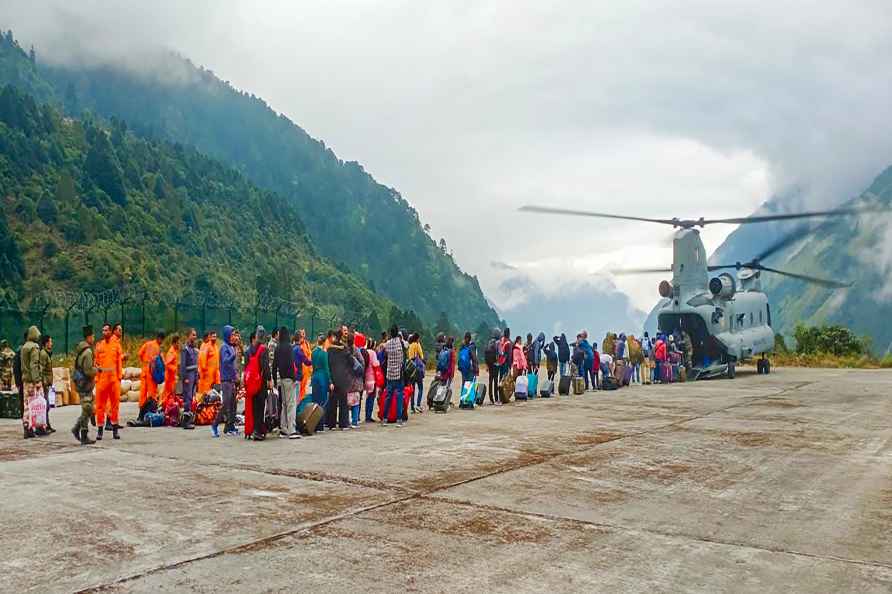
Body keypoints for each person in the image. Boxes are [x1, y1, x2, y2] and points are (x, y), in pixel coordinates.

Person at [94, 323, 122, 440]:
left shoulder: (116, 345)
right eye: (103, 331)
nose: (104, 333)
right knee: (100, 406)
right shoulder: (99, 346)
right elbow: (95, 363)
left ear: (110, 332)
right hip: (102, 380)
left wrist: (119, 376)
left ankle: (115, 430)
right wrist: (97, 378)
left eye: (106, 331)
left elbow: (119, 362)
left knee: (115, 406)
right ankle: (100, 430)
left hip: (113, 380)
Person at [71, 325, 98, 445]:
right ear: (89, 337)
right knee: (88, 408)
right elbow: (88, 370)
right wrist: (96, 370)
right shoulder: (87, 352)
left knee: (87, 409)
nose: (94, 338)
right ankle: (80, 431)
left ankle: (80, 432)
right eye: (92, 336)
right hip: (85, 384)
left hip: (82, 383)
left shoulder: (82, 349)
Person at [272, 325, 300, 439]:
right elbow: (291, 364)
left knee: (284, 404)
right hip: (289, 378)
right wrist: (294, 378)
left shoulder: (278, 348)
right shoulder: (289, 347)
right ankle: (291, 430)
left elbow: (274, 365)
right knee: (291, 404)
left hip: (281, 379)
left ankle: (283, 429)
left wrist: (274, 380)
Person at [212, 325, 239, 438]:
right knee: (226, 403)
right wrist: (234, 355)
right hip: (226, 380)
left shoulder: (232, 347)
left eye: (234, 334)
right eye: (232, 334)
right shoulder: (224, 348)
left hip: (232, 380)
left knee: (233, 404)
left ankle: (230, 426)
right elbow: (226, 361)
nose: (234, 337)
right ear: (227, 335)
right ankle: (215, 424)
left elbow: (233, 366)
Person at [245, 326, 271, 441]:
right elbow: (265, 367)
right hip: (260, 383)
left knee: (253, 407)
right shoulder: (263, 349)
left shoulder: (247, 350)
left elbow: (246, 368)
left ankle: (254, 429)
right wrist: (269, 380)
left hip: (250, 382)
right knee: (261, 407)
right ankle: (257, 431)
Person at [325, 327, 352, 431]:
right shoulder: (344, 349)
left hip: (333, 377)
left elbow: (328, 364)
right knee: (343, 402)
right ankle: (343, 424)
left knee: (332, 402)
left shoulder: (329, 350)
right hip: (343, 378)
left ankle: (331, 424)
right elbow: (350, 361)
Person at [136, 331, 165, 421]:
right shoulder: (157, 348)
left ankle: (140, 415)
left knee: (143, 394)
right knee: (152, 394)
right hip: (151, 374)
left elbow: (139, 354)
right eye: (162, 340)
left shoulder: (147, 344)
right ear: (160, 338)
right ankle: (150, 414)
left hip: (144, 371)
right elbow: (157, 364)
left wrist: (145, 362)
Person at [19, 327, 42, 438]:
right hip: (32, 381)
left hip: (25, 379)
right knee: (35, 403)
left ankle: (26, 426)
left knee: (27, 404)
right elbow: (34, 365)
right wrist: (37, 380)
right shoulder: (34, 347)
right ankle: (33, 427)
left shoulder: (24, 347)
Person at [381, 325, 405, 427]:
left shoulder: (388, 344)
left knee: (388, 397)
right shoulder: (401, 342)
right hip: (399, 374)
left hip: (389, 374)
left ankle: (385, 419)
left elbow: (383, 349)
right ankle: (399, 420)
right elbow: (407, 345)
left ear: (391, 333)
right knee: (399, 397)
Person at [179, 328, 199, 428]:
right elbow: (183, 365)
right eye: (193, 335)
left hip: (194, 375)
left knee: (191, 397)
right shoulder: (185, 349)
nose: (195, 337)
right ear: (188, 336)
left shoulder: (193, 349)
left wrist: (197, 376)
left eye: (195, 335)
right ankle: (186, 421)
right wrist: (185, 377)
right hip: (188, 375)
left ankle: (189, 418)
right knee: (187, 397)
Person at [310, 334, 330, 431]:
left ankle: (315, 423)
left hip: (314, 377)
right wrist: (330, 381)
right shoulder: (324, 353)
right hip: (322, 378)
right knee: (323, 402)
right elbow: (327, 369)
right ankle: (320, 424)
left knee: (315, 401)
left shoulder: (313, 352)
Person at [38, 334, 56, 433]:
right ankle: (43, 426)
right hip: (44, 384)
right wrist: (43, 381)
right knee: (46, 405)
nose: (51, 343)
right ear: (46, 343)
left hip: (47, 383)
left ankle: (47, 425)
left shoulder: (47, 353)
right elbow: (41, 369)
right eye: (50, 341)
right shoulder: (44, 354)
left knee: (47, 406)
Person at [198, 330, 220, 396]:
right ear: (210, 337)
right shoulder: (206, 346)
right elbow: (202, 359)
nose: (215, 338)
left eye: (215, 337)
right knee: (206, 392)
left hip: (215, 374)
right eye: (213, 336)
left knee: (214, 392)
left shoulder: (216, 347)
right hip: (207, 375)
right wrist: (204, 371)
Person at [407, 333, 425, 413]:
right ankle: (418, 405)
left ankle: (412, 407)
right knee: (420, 387)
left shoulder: (410, 345)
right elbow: (421, 356)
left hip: (411, 369)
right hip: (417, 368)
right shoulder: (417, 345)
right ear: (417, 338)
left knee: (412, 389)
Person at [363, 338, 380, 422]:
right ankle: (368, 416)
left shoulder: (365, 351)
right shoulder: (372, 353)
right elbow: (375, 363)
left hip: (365, 378)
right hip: (372, 378)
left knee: (367, 397)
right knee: (371, 398)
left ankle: (367, 415)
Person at [161, 334, 180, 403]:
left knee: (170, 394)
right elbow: (167, 364)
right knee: (168, 394)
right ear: (174, 343)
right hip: (170, 378)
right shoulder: (171, 352)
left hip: (172, 377)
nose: (179, 344)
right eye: (177, 343)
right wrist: (175, 369)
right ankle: (164, 406)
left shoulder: (175, 351)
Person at [297, 329, 313, 402]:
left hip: (307, 369)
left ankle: (301, 400)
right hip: (302, 369)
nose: (303, 335)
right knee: (300, 387)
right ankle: (299, 401)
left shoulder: (306, 343)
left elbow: (309, 355)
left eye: (304, 333)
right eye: (302, 333)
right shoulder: (299, 345)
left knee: (304, 387)